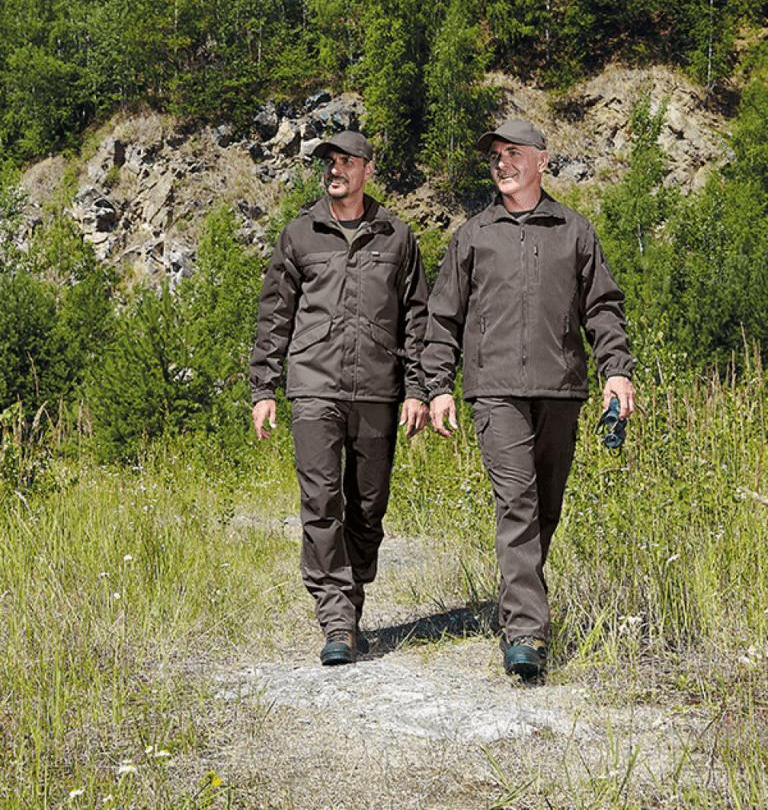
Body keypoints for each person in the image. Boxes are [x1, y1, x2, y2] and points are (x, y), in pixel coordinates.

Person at [424, 118, 635, 682]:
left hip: (561, 388)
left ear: (542, 160)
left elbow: (603, 308)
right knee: (516, 503)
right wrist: (438, 386)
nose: (501, 163)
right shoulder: (473, 236)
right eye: (495, 156)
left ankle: (520, 601)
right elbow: (442, 319)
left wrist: (617, 371)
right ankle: (525, 635)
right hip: (494, 391)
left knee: (545, 507)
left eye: (513, 153)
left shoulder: (574, 231)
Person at [250, 129, 429, 665]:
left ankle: (351, 601)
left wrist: (418, 388)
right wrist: (264, 388)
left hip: (378, 389)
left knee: (368, 509)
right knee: (321, 503)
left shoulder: (396, 236)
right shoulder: (300, 235)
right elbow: (274, 314)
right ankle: (336, 620)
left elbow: (418, 316)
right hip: (313, 387)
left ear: (367, 169)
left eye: (346, 161)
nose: (335, 169)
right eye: (329, 161)